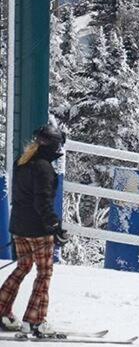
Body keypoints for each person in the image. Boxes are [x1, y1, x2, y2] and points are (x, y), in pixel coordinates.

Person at [0, 124, 68, 338]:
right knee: (44, 273)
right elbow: (42, 202)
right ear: (55, 146)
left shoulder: (23, 161)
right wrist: (55, 226)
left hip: (19, 226)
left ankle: (1, 310)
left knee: (23, 266)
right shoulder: (43, 168)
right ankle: (35, 321)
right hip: (37, 230)